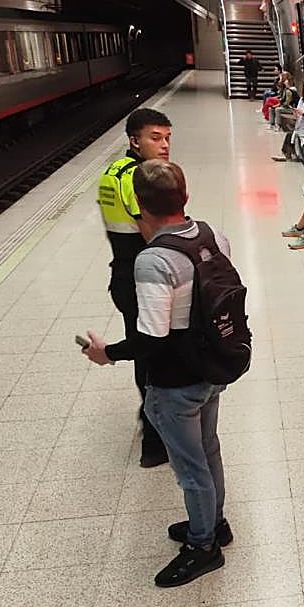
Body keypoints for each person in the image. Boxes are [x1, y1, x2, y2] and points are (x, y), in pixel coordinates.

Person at [82, 161, 233, 587]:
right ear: (185, 197)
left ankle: (203, 546)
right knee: (209, 449)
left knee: (190, 468)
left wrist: (107, 353)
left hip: (176, 381)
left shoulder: (153, 261)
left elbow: (151, 337)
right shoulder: (214, 236)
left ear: (138, 207)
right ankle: (215, 523)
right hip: (214, 365)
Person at [96, 107, 172, 468]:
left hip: (124, 274)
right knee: (154, 355)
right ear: (134, 141)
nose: (164, 145)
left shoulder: (112, 172)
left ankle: (150, 421)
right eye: (155, 138)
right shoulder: (136, 178)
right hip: (143, 279)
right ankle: (155, 442)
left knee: (146, 351)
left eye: (167, 138)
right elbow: (153, 235)